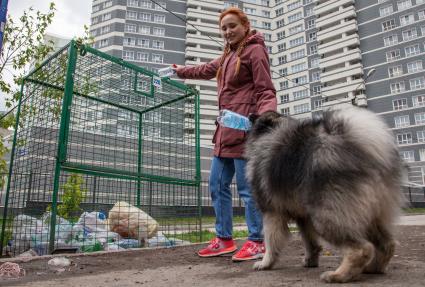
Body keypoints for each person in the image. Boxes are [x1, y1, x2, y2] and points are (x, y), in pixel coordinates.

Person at [172, 7, 277, 261]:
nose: (228, 31)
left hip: (245, 131)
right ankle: (224, 239)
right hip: (224, 132)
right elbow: (206, 69)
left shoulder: (255, 50)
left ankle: (257, 241)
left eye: (232, 26)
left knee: (247, 188)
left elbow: (265, 90)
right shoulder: (228, 55)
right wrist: (180, 70)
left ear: (245, 25)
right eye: (224, 28)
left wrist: (264, 120)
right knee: (216, 186)